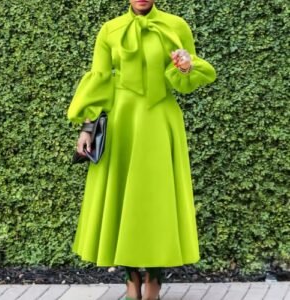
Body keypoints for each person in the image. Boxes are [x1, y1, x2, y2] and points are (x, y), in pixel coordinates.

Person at [67, 0, 216, 299]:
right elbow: (99, 79)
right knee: (121, 197)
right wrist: (87, 128)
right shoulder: (110, 30)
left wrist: (186, 68)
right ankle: (130, 276)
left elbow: (186, 81)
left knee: (158, 199)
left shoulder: (177, 26)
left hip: (161, 118)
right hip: (122, 118)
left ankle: (155, 279)